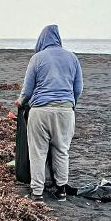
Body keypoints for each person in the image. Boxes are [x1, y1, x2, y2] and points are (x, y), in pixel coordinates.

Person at [15, 25, 82, 202]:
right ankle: (61, 190)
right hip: (65, 112)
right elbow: (78, 88)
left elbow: (28, 89)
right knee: (61, 150)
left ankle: (37, 192)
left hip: (40, 111)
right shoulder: (72, 58)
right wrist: (70, 104)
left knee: (38, 152)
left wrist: (20, 101)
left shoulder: (37, 58)